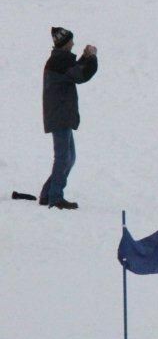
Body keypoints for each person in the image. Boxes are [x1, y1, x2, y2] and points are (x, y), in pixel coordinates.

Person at [40, 27, 98, 210]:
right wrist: (91, 58)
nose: (73, 43)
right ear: (65, 43)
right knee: (63, 157)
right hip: (60, 115)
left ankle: (48, 193)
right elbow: (80, 75)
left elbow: (73, 71)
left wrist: (85, 58)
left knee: (69, 157)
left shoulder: (59, 60)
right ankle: (55, 197)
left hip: (60, 114)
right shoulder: (60, 61)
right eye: (71, 41)